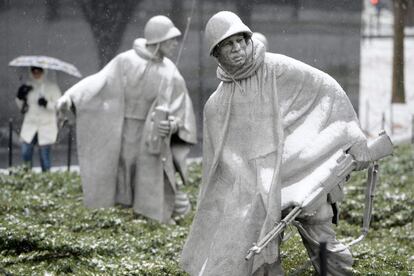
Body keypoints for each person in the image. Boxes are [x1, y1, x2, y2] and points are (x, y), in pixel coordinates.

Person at [181, 11, 371, 275]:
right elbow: (222, 167)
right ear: (216, 53)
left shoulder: (277, 68)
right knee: (258, 253)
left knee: (322, 242)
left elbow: (326, 89)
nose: (237, 49)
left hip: (301, 175)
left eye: (240, 41)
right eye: (228, 45)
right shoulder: (216, 105)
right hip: (258, 190)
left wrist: (353, 133)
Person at [57, 15, 197, 224]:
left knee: (155, 177)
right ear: (157, 40)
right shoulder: (125, 61)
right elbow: (99, 81)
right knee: (122, 173)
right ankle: (123, 217)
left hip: (152, 136)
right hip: (123, 130)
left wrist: (173, 124)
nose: (175, 44)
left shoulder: (171, 72)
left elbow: (181, 110)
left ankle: (164, 213)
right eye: (170, 40)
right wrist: (70, 96)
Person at [15, 66, 61, 172]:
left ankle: (45, 179)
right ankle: (27, 176)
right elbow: (22, 108)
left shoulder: (52, 87)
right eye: (33, 71)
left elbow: (59, 106)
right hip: (30, 124)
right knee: (26, 152)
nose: (36, 73)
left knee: (44, 157)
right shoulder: (28, 86)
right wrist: (20, 96)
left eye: (39, 71)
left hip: (46, 126)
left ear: (43, 72)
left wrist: (47, 104)